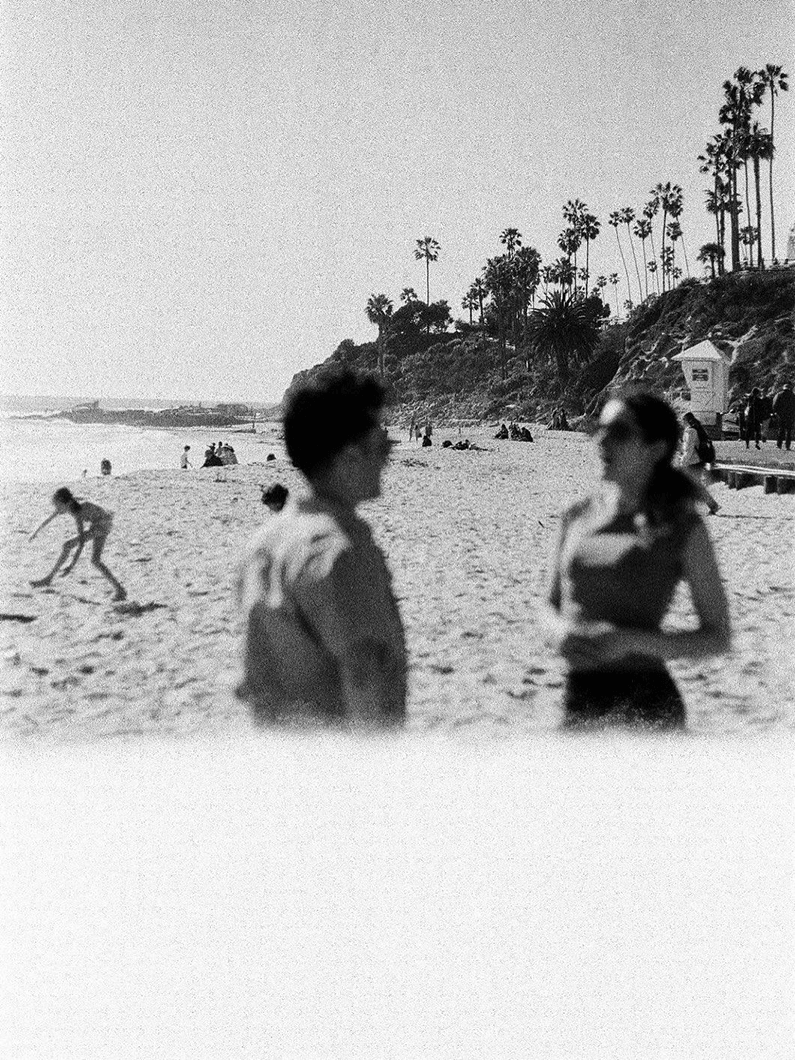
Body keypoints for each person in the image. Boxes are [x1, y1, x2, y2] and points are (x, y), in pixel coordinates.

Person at [546, 392, 730, 730]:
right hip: (579, 697)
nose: (601, 440)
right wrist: (559, 633)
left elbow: (718, 636)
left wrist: (630, 641)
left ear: (655, 449)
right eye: (599, 429)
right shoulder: (575, 517)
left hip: (647, 700)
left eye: (618, 432)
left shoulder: (681, 527)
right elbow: (548, 605)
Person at [236, 368, 406, 729]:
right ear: (348, 454)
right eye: (381, 443)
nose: (389, 454)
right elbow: (364, 681)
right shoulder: (338, 551)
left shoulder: (264, 543)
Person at [29, 487, 127, 601]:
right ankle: (120, 590)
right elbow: (49, 518)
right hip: (104, 523)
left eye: (58, 505)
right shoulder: (68, 505)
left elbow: (81, 543)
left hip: (102, 525)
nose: (57, 509)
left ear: (67, 503)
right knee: (95, 561)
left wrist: (71, 565)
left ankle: (48, 579)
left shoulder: (77, 512)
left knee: (67, 545)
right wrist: (35, 532)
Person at [679, 412, 720, 515]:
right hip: (696, 461)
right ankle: (712, 505)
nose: (681, 422)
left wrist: (683, 462)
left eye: (682, 420)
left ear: (686, 420)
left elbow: (689, 449)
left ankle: (711, 506)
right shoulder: (695, 429)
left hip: (692, 462)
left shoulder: (690, 431)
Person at [772, 383, 795, 450]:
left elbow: (774, 404)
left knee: (781, 430)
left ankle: (779, 445)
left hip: (781, 415)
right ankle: (787, 446)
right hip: (790, 416)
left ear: (783, 388)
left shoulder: (779, 394)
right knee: (788, 431)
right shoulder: (793, 395)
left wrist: (775, 412)